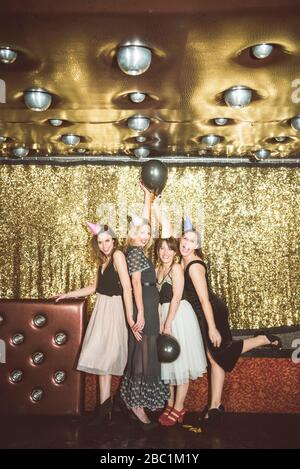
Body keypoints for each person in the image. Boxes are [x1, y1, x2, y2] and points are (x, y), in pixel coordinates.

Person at [181, 226, 282, 423]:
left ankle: (263, 339)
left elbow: (204, 300)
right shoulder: (184, 259)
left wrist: (212, 327)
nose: (186, 243)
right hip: (204, 314)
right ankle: (215, 406)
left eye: (192, 241)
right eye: (184, 238)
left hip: (210, 313)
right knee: (215, 358)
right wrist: (155, 204)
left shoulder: (193, 266)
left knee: (221, 352)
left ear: (197, 245)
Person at [54, 223, 134, 425]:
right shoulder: (103, 261)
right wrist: (67, 294)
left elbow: (127, 287)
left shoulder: (118, 256)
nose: (105, 245)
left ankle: (107, 409)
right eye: (100, 242)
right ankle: (105, 409)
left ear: (114, 241)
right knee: (102, 360)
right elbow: (94, 287)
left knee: (107, 357)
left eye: (108, 241)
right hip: (102, 308)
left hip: (114, 309)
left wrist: (130, 317)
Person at [120, 185, 170, 430]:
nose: (147, 235)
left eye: (149, 233)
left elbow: (144, 222)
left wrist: (147, 199)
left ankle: (137, 401)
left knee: (147, 352)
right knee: (142, 353)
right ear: (133, 233)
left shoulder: (138, 250)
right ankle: (136, 405)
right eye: (142, 232)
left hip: (150, 304)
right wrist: (140, 312)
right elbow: (136, 284)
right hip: (145, 306)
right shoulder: (135, 253)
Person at [155, 236, 207, 426]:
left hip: (179, 317)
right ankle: (169, 405)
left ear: (176, 252)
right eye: (161, 249)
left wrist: (168, 323)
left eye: (169, 249)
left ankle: (179, 406)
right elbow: (158, 299)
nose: (165, 253)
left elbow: (176, 298)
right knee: (167, 363)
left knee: (181, 363)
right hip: (164, 315)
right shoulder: (157, 269)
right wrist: (160, 320)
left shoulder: (176, 268)